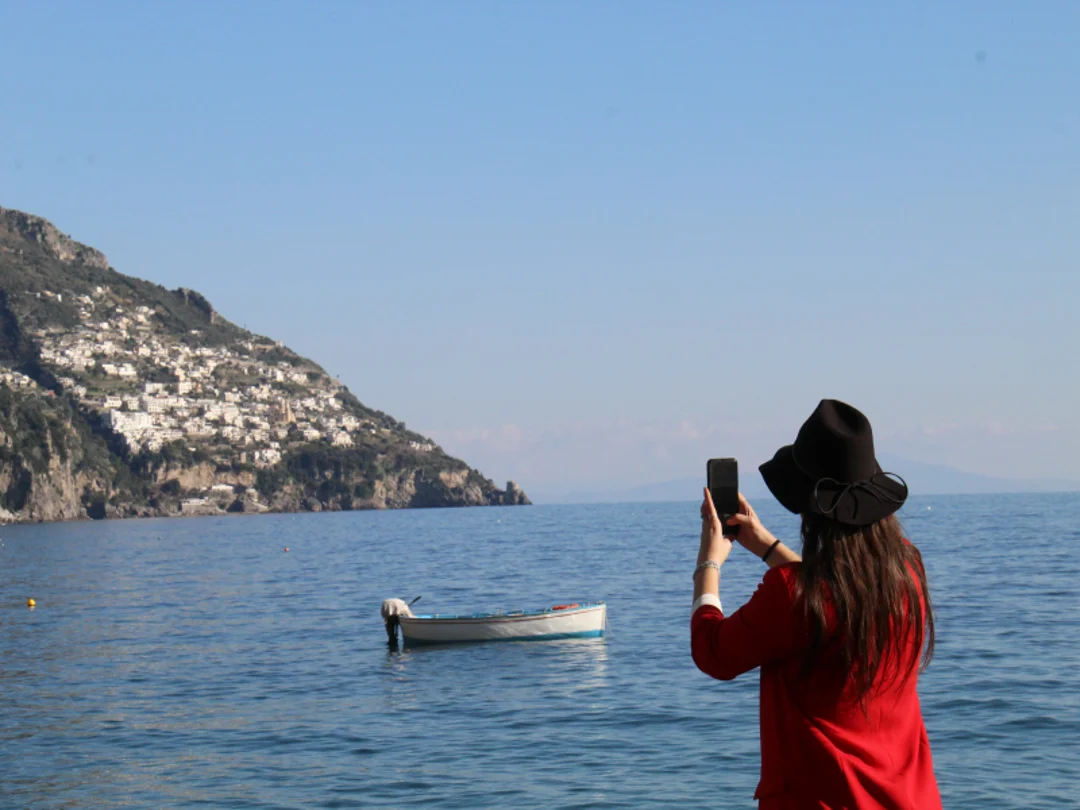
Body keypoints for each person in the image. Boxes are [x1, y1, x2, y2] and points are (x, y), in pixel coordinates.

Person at [691, 400, 941, 809]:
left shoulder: (791, 595)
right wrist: (766, 546)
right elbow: (834, 593)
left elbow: (713, 652)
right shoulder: (907, 570)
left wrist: (708, 563)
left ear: (809, 509)